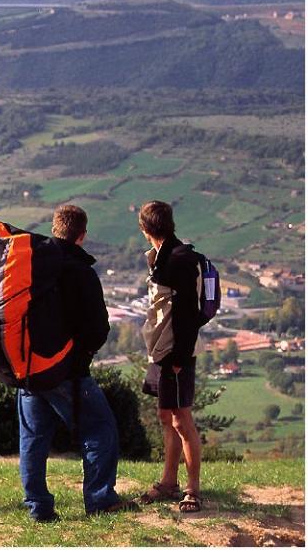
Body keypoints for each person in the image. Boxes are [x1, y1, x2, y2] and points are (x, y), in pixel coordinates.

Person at [18, 205, 136, 522]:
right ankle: (100, 499)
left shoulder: (31, 263)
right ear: (82, 235)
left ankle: (38, 507)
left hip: (27, 367)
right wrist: (79, 356)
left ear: (55, 227)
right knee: (100, 429)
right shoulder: (80, 271)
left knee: (33, 439)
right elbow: (98, 327)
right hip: (66, 371)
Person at [137, 200, 204, 513]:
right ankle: (168, 482)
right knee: (167, 416)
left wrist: (179, 355)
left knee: (181, 419)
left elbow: (188, 313)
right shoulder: (164, 257)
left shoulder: (178, 259)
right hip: (161, 351)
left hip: (175, 352)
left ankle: (192, 489)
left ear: (145, 229)